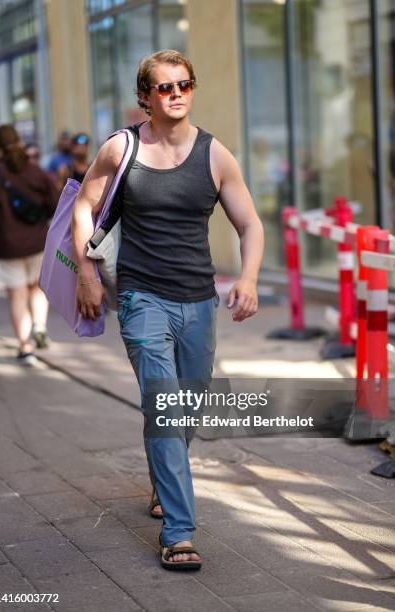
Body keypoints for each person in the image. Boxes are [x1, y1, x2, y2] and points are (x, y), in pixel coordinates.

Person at [71, 50, 264, 570]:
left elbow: (250, 224)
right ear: (145, 97)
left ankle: (163, 477)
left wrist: (247, 277)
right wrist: (87, 274)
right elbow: (84, 204)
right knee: (164, 402)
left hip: (199, 300)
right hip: (141, 297)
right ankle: (179, 532)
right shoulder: (121, 149)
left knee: (188, 404)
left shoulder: (215, 155)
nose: (176, 93)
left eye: (184, 84)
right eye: (164, 87)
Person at [0, 125, 59, 364]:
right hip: (38, 242)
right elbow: (55, 206)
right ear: (18, 142)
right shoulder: (36, 171)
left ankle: (25, 347)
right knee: (37, 290)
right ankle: (39, 325)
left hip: (7, 246)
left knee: (17, 297)